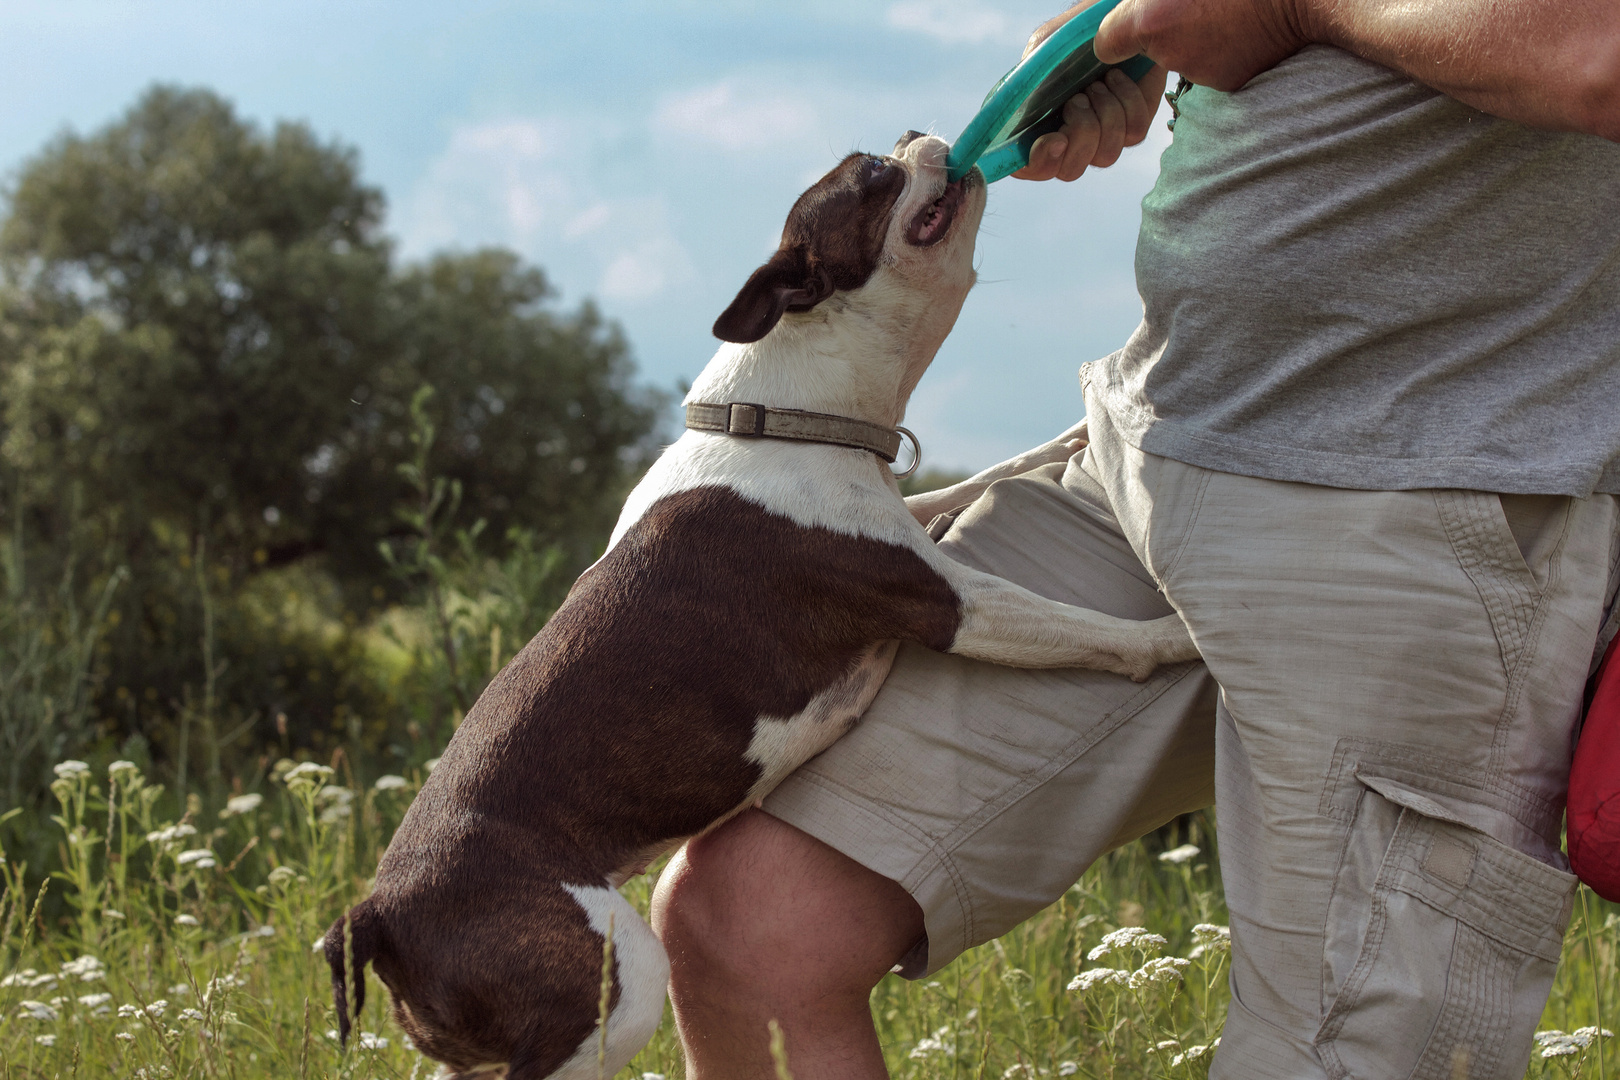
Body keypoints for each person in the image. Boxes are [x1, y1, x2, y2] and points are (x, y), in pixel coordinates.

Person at [651, 0, 1620, 1076]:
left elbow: (1597, 54)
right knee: (750, 927)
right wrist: (1121, 46)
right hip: (1148, 455)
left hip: (1414, 512)